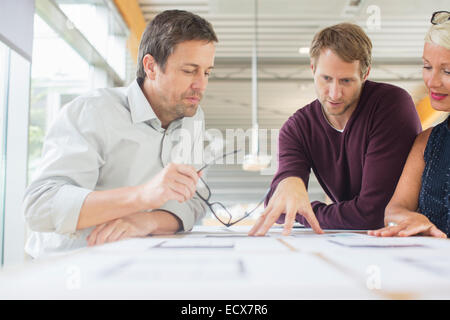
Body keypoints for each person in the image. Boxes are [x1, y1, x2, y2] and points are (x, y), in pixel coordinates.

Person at [23, 10, 218, 258]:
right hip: (65, 272)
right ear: (151, 67)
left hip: (136, 268)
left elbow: (196, 201)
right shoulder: (92, 111)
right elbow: (39, 207)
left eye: (207, 72)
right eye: (189, 71)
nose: (201, 85)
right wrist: (142, 196)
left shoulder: (193, 119)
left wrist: (147, 221)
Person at [249, 23, 422, 237]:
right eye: (326, 79)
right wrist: (290, 182)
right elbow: (278, 204)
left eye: (346, 81)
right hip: (355, 241)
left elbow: (375, 213)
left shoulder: (390, 105)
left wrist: (304, 211)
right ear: (313, 69)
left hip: (406, 238)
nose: (334, 93)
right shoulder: (297, 129)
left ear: (365, 73)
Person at [368, 11, 450, 238]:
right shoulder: (427, 142)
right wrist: (408, 218)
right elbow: (393, 211)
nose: (432, 82)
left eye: (447, 71)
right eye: (427, 66)